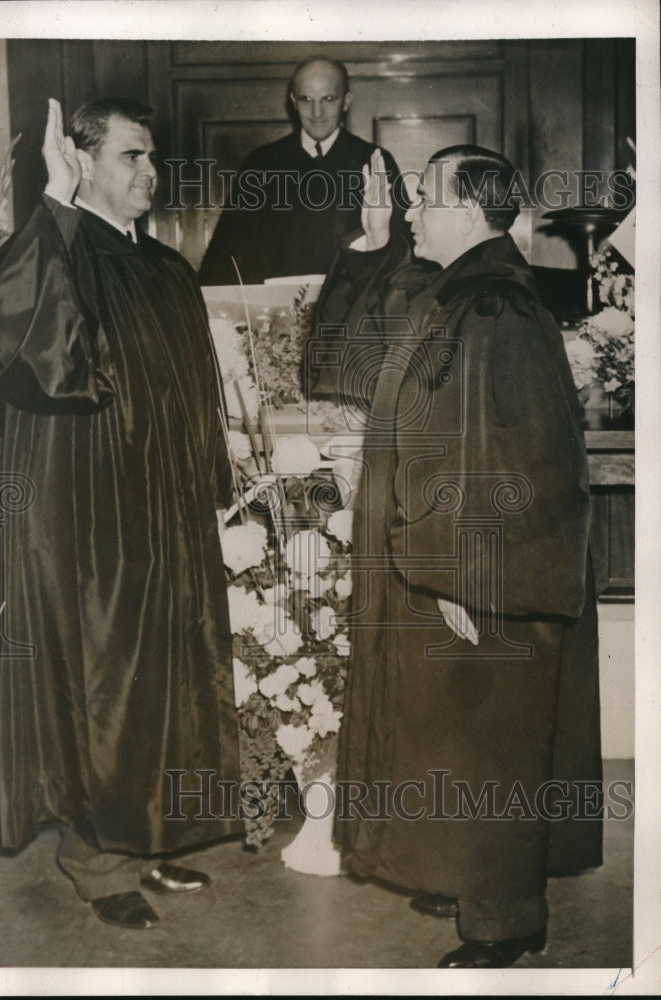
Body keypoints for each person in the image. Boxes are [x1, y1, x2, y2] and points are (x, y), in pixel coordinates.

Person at [309, 145, 602, 968]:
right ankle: (473, 876)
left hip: (479, 570)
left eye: (423, 201)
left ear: (470, 210)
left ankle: (506, 921)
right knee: (460, 737)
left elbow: (508, 458)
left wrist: (468, 574)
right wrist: (369, 244)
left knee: (492, 739)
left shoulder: (497, 310)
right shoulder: (463, 292)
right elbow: (346, 360)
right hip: (443, 559)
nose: (411, 213)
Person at [0, 97, 240, 930]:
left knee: (160, 675)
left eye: (152, 158)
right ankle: (97, 862)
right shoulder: (61, 251)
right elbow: (27, 346)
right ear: (82, 163)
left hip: (164, 510)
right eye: (130, 157)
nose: (150, 174)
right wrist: (51, 199)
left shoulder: (162, 269)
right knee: (99, 679)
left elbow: (198, 397)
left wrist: (207, 492)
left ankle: (149, 840)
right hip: (87, 513)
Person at [198, 57, 401, 285]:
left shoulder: (375, 163)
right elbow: (225, 257)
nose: (317, 113)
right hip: (274, 314)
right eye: (306, 100)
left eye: (328, 99)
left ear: (346, 101)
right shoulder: (261, 164)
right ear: (293, 101)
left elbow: (401, 255)